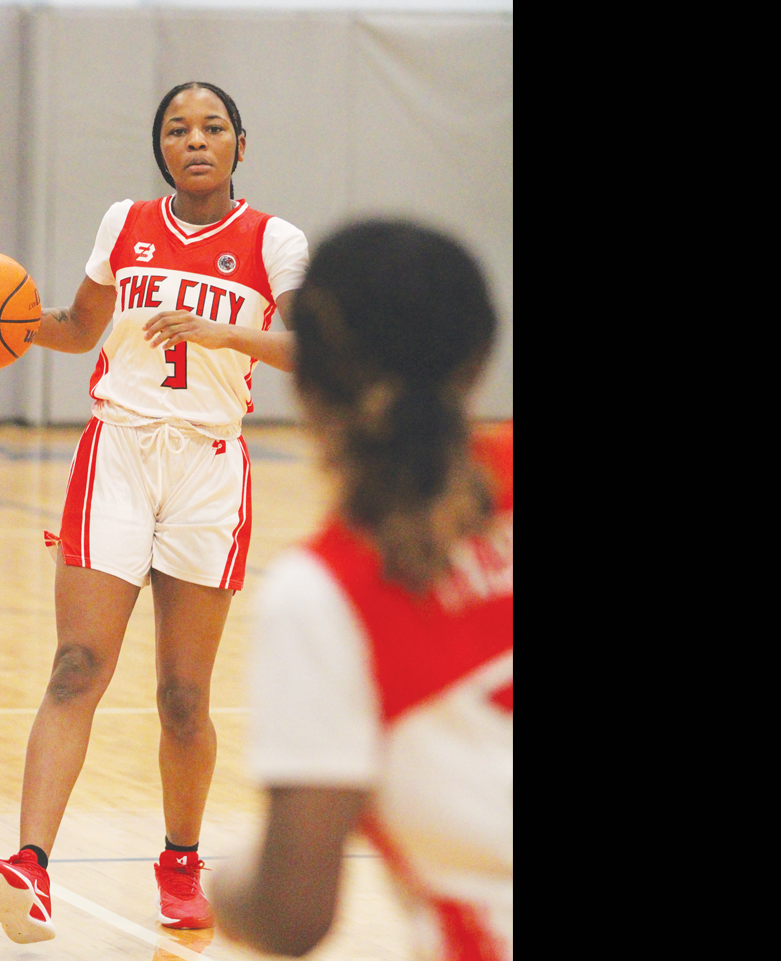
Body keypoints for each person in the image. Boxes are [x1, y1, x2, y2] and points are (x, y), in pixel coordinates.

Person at [0, 81, 309, 944]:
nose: (195, 140)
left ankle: (180, 859)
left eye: (212, 127)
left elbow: (314, 345)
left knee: (183, 697)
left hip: (209, 467)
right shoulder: (124, 224)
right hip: (119, 452)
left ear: (240, 145)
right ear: (160, 147)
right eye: (177, 129)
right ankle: (29, 865)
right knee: (76, 664)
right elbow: (75, 325)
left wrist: (226, 334)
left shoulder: (273, 241)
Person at [209, 220, 513, 960]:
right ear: (480, 358)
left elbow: (291, 913)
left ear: (303, 381)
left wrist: (227, 889)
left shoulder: (324, 592)